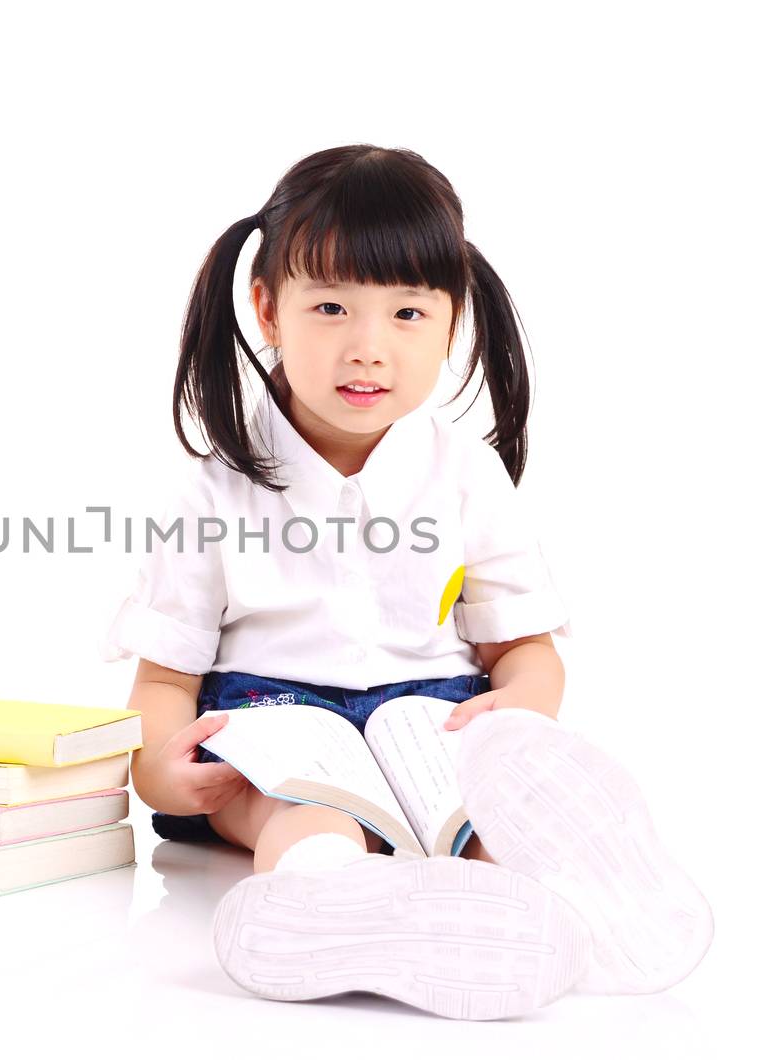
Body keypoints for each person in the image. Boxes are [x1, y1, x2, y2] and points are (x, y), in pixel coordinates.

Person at [101, 144, 712, 1020]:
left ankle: (557, 906)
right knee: (305, 816)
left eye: (408, 315)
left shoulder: (465, 473)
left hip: (429, 719)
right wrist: (161, 773)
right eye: (331, 307)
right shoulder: (213, 485)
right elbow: (163, 676)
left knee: (477, 819)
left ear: (453, 320)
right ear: (269, 310)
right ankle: (329, 906)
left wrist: (521, 715)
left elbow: (521, 648)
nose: (367, 348)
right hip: (275, 725)